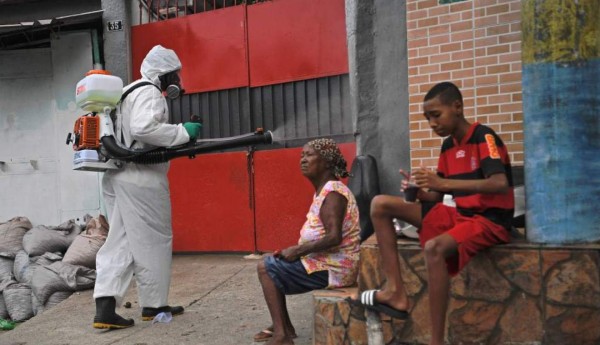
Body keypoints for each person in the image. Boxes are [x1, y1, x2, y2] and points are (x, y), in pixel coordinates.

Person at [348, 81, 514, 345]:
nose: (432, 123)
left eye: (436, 115)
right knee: (380, 204)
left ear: (457, 107)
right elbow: (435, 197)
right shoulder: (448, 146)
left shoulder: (484, 137)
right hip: (462, 216)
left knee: (434, 248)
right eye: (427, 118)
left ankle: (436, 341)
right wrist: (415, 191)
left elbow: (499, 183)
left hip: (490, 221)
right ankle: (395, 292)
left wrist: (441, 183)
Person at [92, 45, 202, 329]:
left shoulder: (127, 92)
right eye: (174, 74)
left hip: (116, 175)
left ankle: (105, 308)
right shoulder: (150, 92)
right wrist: (181, 132)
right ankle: (153, 305)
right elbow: (143, 128)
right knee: (154, 239)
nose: (177, 80)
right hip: (140, 177)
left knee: (122, 239)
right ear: (162, 74)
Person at [255, 138, 361, 345]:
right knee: (273, 262)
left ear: (327, 162)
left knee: (265, 267)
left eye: (309, 155)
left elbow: (334, 237)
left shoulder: (333, 193)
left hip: (336, 268)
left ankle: (282, 335)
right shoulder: (325, 190)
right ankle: (283, 326)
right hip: (327, 263)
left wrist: (298, 250)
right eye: (302, 155)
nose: (303, 160)